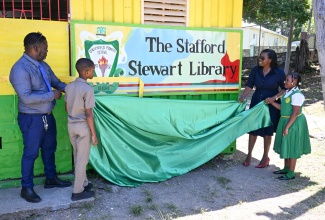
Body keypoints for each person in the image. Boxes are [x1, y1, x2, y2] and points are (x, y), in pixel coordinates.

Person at [9, 32, 72, 203]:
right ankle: (26, 187)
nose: (47, 52)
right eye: (45, 49)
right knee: (30, 153)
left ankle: (51, 179)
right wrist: (52, 96)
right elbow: (26, 98)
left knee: (49, 149)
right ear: (35, 48)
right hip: (32, 119)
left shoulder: (43, 65)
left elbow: (57, 83)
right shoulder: (20, 69)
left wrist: (74, 89)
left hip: (47, 116)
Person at [239, 49, 286, 168]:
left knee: (267, 131)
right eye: (259, 57)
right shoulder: (256, 70)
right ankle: (249, 155)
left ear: (270, 60)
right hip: (256, 102)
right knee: (252, 129)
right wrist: (243, 96)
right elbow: (249, 85)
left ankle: (265, 157)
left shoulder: (279, 72)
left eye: (263, 58)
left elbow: (284, 88)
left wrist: (274, 98)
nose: (260, 60)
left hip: (270, 104)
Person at [65, 58, 98, 201]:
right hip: (83, 127)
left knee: (77, 155)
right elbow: (89, 114)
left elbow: (67, 108)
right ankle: (77, 192)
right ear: (86, 72)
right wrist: (94, 134)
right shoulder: (87, 89)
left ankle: (84, 183)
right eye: (92, 70)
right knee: (82, 160)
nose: (94, 72)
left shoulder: (69, 87)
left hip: (71, 125)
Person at [267, 72, 311, 180]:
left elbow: (295, 112)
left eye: (287, 80)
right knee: (286, 144)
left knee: (292, 146)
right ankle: (286, 168)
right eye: (285, 80)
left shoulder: (297, 95)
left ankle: (291, 173)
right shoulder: (287, 92)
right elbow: (284, 108)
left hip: (293, 122)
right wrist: (271, 102)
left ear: (294, 82)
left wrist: (287, 127)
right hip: (285, 120)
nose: (285, 82)